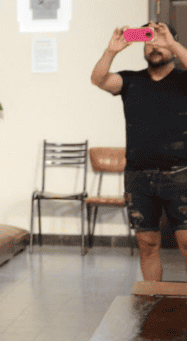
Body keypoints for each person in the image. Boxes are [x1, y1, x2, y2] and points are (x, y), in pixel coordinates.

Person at [90, 21, 187, 281]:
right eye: (148, 40)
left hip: (180, 175)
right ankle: (152, 302)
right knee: (147, 246)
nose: (154, 45)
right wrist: (111, 51)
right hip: (138, 177)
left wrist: (174, 45)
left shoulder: (182, 78)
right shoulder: (130, 80)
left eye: (160, 40)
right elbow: (98, 79)